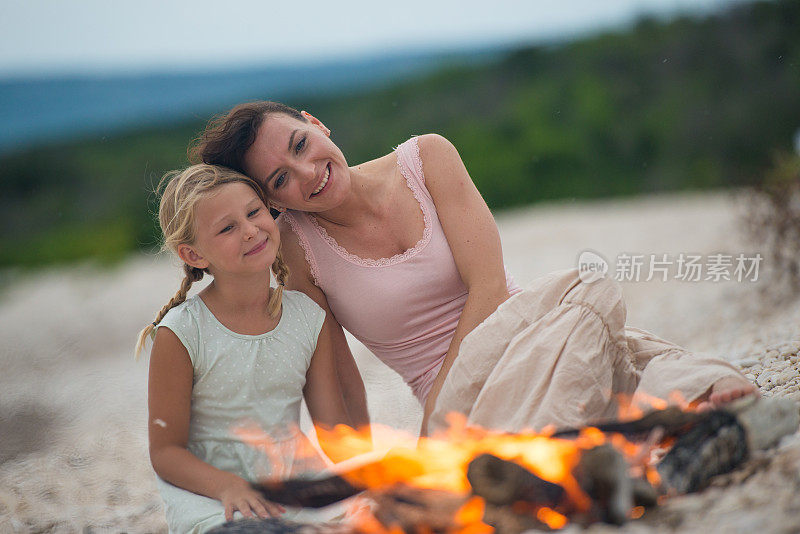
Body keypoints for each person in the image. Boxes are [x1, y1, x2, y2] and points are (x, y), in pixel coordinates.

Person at [190, 101, 757, 436]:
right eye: (281, 179)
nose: (307, 170)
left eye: (300, 143)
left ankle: (598, 431)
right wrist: (361, 469)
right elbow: (337, 375)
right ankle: (661, 411)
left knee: (589, 304)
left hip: (527, 338)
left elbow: (488, 287)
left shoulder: (426, 158)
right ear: (276, 202)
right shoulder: (298, 245)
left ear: (317, 124)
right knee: (593, 314)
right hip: (461, 400)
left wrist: (436, 420)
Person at [135, 164, 362, 533]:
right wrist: (229, 486)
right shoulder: (181, 332)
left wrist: (369, 475)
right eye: (227, 228)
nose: (250, 230)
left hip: (293, 485)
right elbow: (165, 453)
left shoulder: (308, 316)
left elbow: (333, 431)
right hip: (216, 501)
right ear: (194, 255)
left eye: (254, 212)